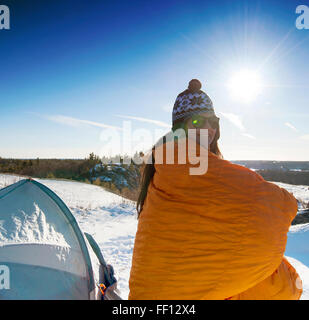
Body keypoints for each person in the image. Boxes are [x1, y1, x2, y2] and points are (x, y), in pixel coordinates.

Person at [128, 79, 302, 300]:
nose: (208, 128)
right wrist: (288, 203)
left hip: (150, 294)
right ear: (180, 129)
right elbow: (270, 200)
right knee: (280, 282)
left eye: (213, 121)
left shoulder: (165, 163)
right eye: (199, 121)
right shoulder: (182, 164)